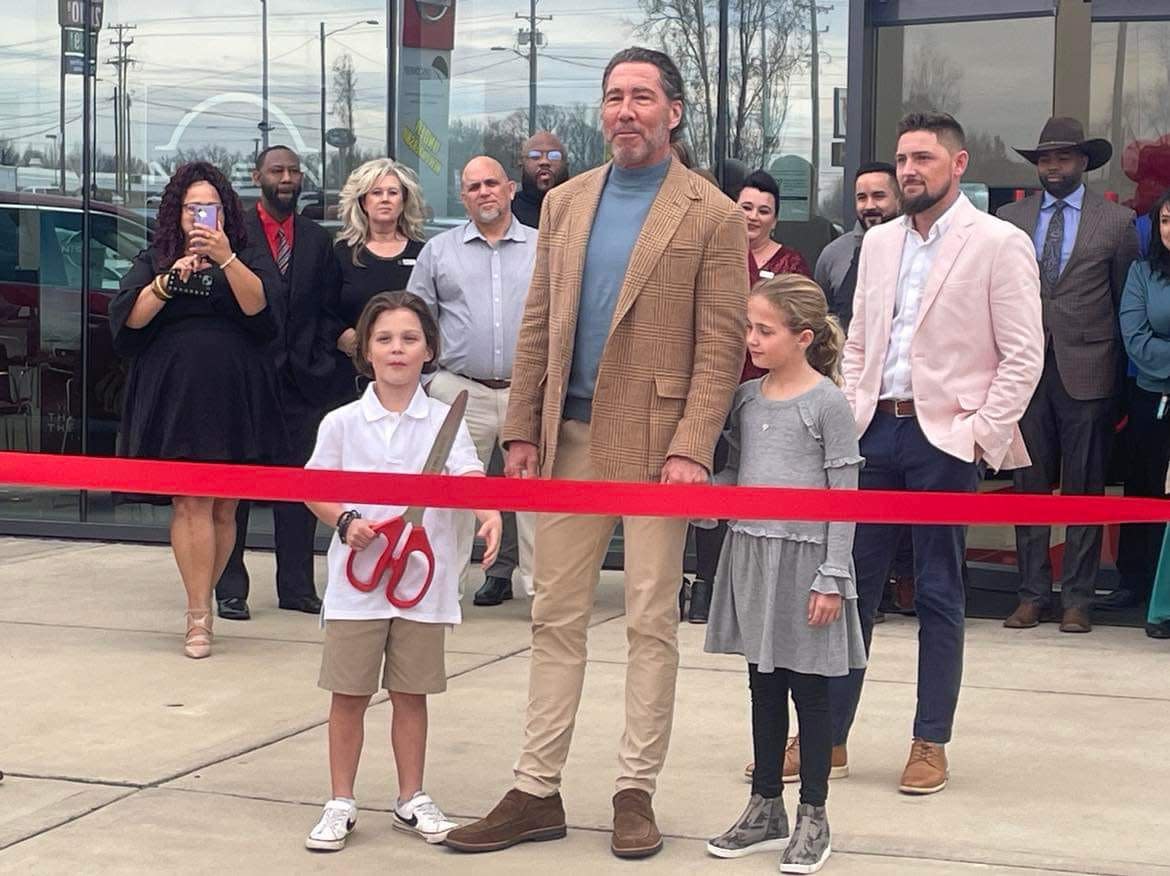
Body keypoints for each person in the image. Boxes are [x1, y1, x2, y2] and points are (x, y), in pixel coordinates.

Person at [443, 47, 747, 858]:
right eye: (613, 97)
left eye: (641, 96)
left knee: (650, 621)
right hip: (563, 440)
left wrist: (692, 448)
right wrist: (520, 430)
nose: (625, 111)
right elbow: (539, 324)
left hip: (658, 449)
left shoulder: (711, 213)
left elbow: (721, 347)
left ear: (672, 112)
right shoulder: (568, 202)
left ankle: (633, 791)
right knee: (553, 615)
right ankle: (536, 789)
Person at [831, 112, 1043, 794]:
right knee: (848, 588)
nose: (908, 169)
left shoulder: (999, 243)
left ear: (957, 166)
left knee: (940, 591)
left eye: (923, 157)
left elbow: (1023, 355)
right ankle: (830, 736)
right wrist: (850, 410)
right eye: (901, 158)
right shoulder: (881, 242)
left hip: (943, 439)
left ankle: (930, 741)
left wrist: (977, 436)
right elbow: (860, 339)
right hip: (874, 434)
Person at [302, 291, 502, 852]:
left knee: (411, 694)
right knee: (349, 693)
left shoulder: (445, 420)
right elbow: (314, 486)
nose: (397, 350)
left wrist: (489, 512)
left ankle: (410, 796)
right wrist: (345, 522)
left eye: (409, 339)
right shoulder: (342, 422)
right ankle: (340, 800)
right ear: (365, 351)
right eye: (385, 339)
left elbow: (466, 475)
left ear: (429, 350)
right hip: (356, 584)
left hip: (423, 584)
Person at [703, 275, 865, 873]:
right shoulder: (746, 400)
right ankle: (765, 805)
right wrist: (700, 499)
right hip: (752, 557)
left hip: (807, 565)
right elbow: (738, 475)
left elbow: (844, 496)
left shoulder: (827, 403)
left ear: (802, 337)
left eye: (763, 330)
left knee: (811, 694)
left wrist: (832, 575)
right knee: (763, 685)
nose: (751, 339)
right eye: (749, 327)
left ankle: (814, 816)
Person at [110, 161, 285, 659]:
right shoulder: (158, 255)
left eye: (208, 207)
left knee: (225, 506)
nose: (199, 217)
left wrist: (227, 259)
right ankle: (197, 615)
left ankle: (204, 598)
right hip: (177, 393)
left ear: (224, 212)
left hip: (234, 392)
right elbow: (128, 321)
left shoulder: (246, 254)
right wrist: (167, 282)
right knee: (191, 501)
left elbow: (264, 311)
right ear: (177, 214)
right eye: (191, 208)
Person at [998, 116, 1139, 634]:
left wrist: (1122, 382)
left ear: (1084, 162)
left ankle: (1078, 597)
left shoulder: (1116, 222)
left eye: (1062, 158)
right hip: (1024, 368)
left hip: (1089, 369)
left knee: (1085, 487)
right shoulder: (1009, 218)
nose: (1052, 167)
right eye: (1044, 159)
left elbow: (1125, 300)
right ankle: (1032, 594)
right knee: (1028, 484)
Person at [215, 145, 341, 621]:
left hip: (304, 384)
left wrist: (322, 357)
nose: (287, 178)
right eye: (277, 170)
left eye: (293, 170)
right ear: (258, 176)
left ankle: (296, 587)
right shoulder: (234, 236)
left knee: (299, 490)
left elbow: (329, 309)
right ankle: (230, 589)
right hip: (247, 381)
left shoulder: (316, 239)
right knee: (238, 493)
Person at [408, 156, 539, 607]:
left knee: (533, 499)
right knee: (455, 496)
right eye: (473, 186)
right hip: (458, 389)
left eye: (491, 183)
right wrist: (429, 380)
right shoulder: (438, 251)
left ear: (509, 189)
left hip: (528, 390)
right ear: (463, 197)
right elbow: (416, 318)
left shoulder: (545, 247)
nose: (484, 192)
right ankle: (444, 592)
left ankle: (542, 597)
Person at [684, 170, 812, 625]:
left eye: (764, 210)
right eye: (746, 208)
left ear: (775, 218)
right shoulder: (717, 256)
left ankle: (753, 591)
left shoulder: (791, 263)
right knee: (712, 491)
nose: (754, 217)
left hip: (768, 397)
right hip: (715, 391)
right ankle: (706, 584)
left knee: (757, 489)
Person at [1118, 189, 1170, 639]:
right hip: (1154, 401)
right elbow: (1136, 339)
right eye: (1167, 221)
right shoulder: (1142, 272)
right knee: (1150, 492)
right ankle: (1144, 590)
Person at [331, 159, 427, 398]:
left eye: (393, 192)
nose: (385, 199)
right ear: (364, 202)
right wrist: (352, 342)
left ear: (403, 201)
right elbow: (323, 311)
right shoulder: (341, 253)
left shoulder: (424, 253)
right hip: (353, 377)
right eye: (376, 192)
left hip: (413, 376)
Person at [814, 161, 901, 333]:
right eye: (862, 198)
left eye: (878, 196)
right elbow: (820, 318)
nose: (869, 206)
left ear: (899, 200)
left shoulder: (916, 248)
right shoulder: (833, 254)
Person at [512, 131, 569, 228]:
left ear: (566, 164)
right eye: (535, 156)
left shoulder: (583, 207)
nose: (544, 162)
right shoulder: (507, 209)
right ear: (521, 164)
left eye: (554, 156)